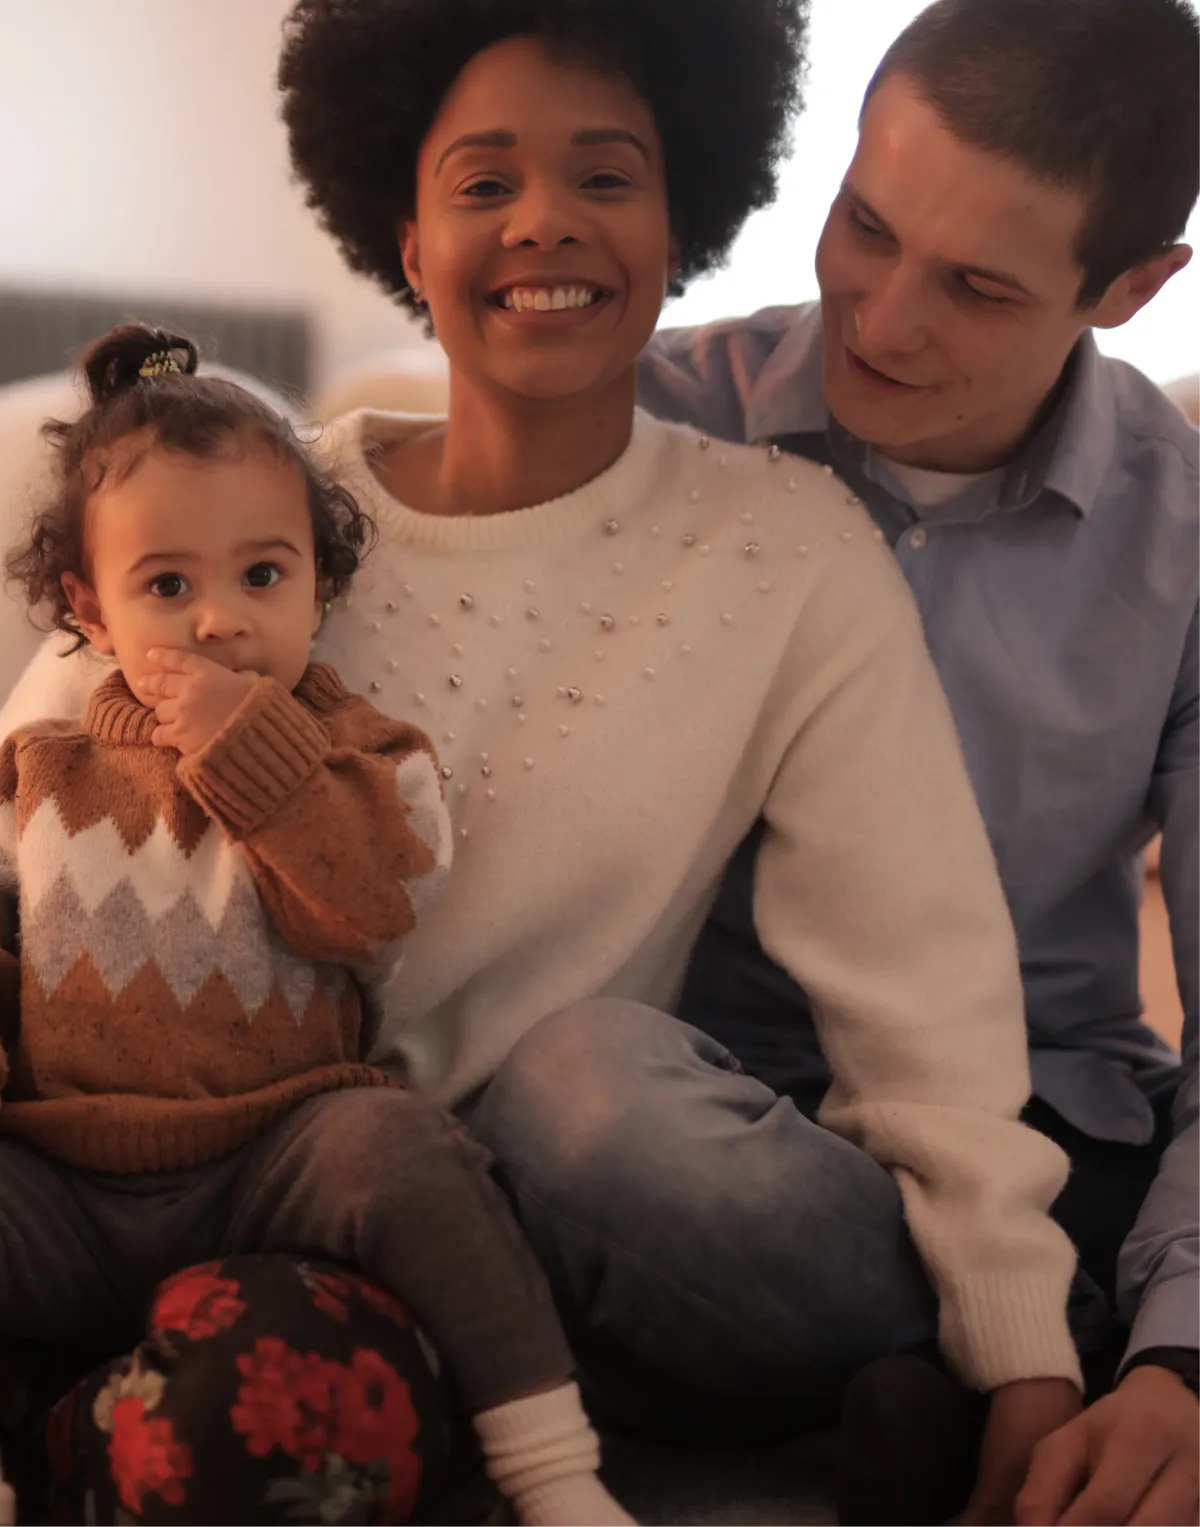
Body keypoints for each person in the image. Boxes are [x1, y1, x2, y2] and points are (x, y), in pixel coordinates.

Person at [2, 1, 1087, 1520]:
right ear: (406, 231)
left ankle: (858, 1387)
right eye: (485, 181)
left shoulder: (791, 551)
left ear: (679, 218)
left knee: (591, 1084)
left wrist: (1026, 1356)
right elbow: (32, 810)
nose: (544, 222)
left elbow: (924, 990)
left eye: (605, 174)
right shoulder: (245, 522)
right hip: (281, 1220)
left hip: (565, 1198)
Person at [637, 0, 1200, 1522]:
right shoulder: (653, 426)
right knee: (583, 1104)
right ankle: (1007, 1346)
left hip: (1044, 1124)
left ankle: (914, 1355)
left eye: (977, 287)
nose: (882, 322)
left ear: (1133, 288)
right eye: (866, 227)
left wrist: (1185, 1359)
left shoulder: (1185, 538)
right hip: (711, 1114)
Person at [0, 322, 635, 1527]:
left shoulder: (365, 761)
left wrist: (249, 747)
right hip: (66, 1179)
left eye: (262, 576)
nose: (220, 621)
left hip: (272, 1164)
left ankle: (553, 1469)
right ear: (90, 607)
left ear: (319, 585)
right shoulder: (42, 765)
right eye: (168, 586)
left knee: (401, 1150)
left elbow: (370, 912)